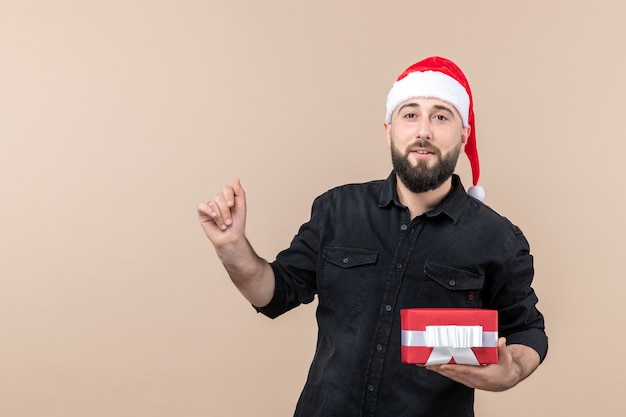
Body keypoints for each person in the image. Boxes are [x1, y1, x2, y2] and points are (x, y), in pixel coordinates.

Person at [197, 56, 548, 417]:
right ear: (389, 129)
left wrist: (512, 370)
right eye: (410, 114)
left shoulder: (498, 238)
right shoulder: (337, 209)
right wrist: (232, 248)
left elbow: (528, 331)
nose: (423, 130)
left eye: (441, 116)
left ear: (463, 134)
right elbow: (273, 293)